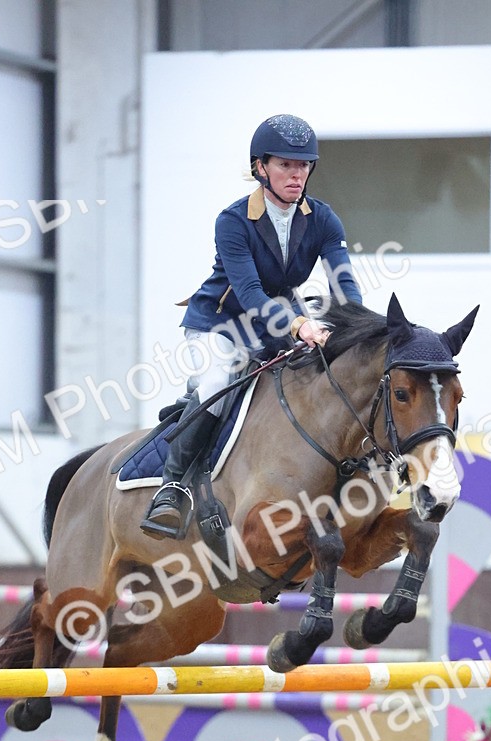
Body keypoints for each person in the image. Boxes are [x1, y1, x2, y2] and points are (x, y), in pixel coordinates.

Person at [141, 113, 363, 539]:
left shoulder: (323, 219)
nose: (296, 174)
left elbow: (344, 282)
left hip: (276, 322)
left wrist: (358, 327)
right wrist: (301, 326)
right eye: (285, 165)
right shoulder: (233, 220)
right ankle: (171, 487)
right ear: (260, 167)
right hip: (220, 324)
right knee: (216, 383)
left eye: (303, 166)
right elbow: (250, 294)